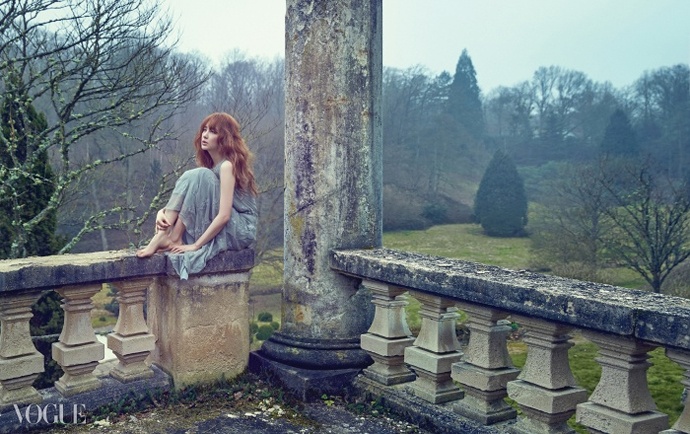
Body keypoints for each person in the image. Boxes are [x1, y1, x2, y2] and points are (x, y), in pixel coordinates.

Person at [136, 112, 258, 279]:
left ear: (225, 138)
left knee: (200, 174)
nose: (205, 135)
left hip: (241, 229)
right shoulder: (211, 167)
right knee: (194, 175)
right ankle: (165, 235)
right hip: (226, 220)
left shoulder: (227, 166)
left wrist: (196, 245)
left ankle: (170, 236)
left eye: (213, 131)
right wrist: (161, 212)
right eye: (204, 130)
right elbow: (190, 198)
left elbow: (224, 215)